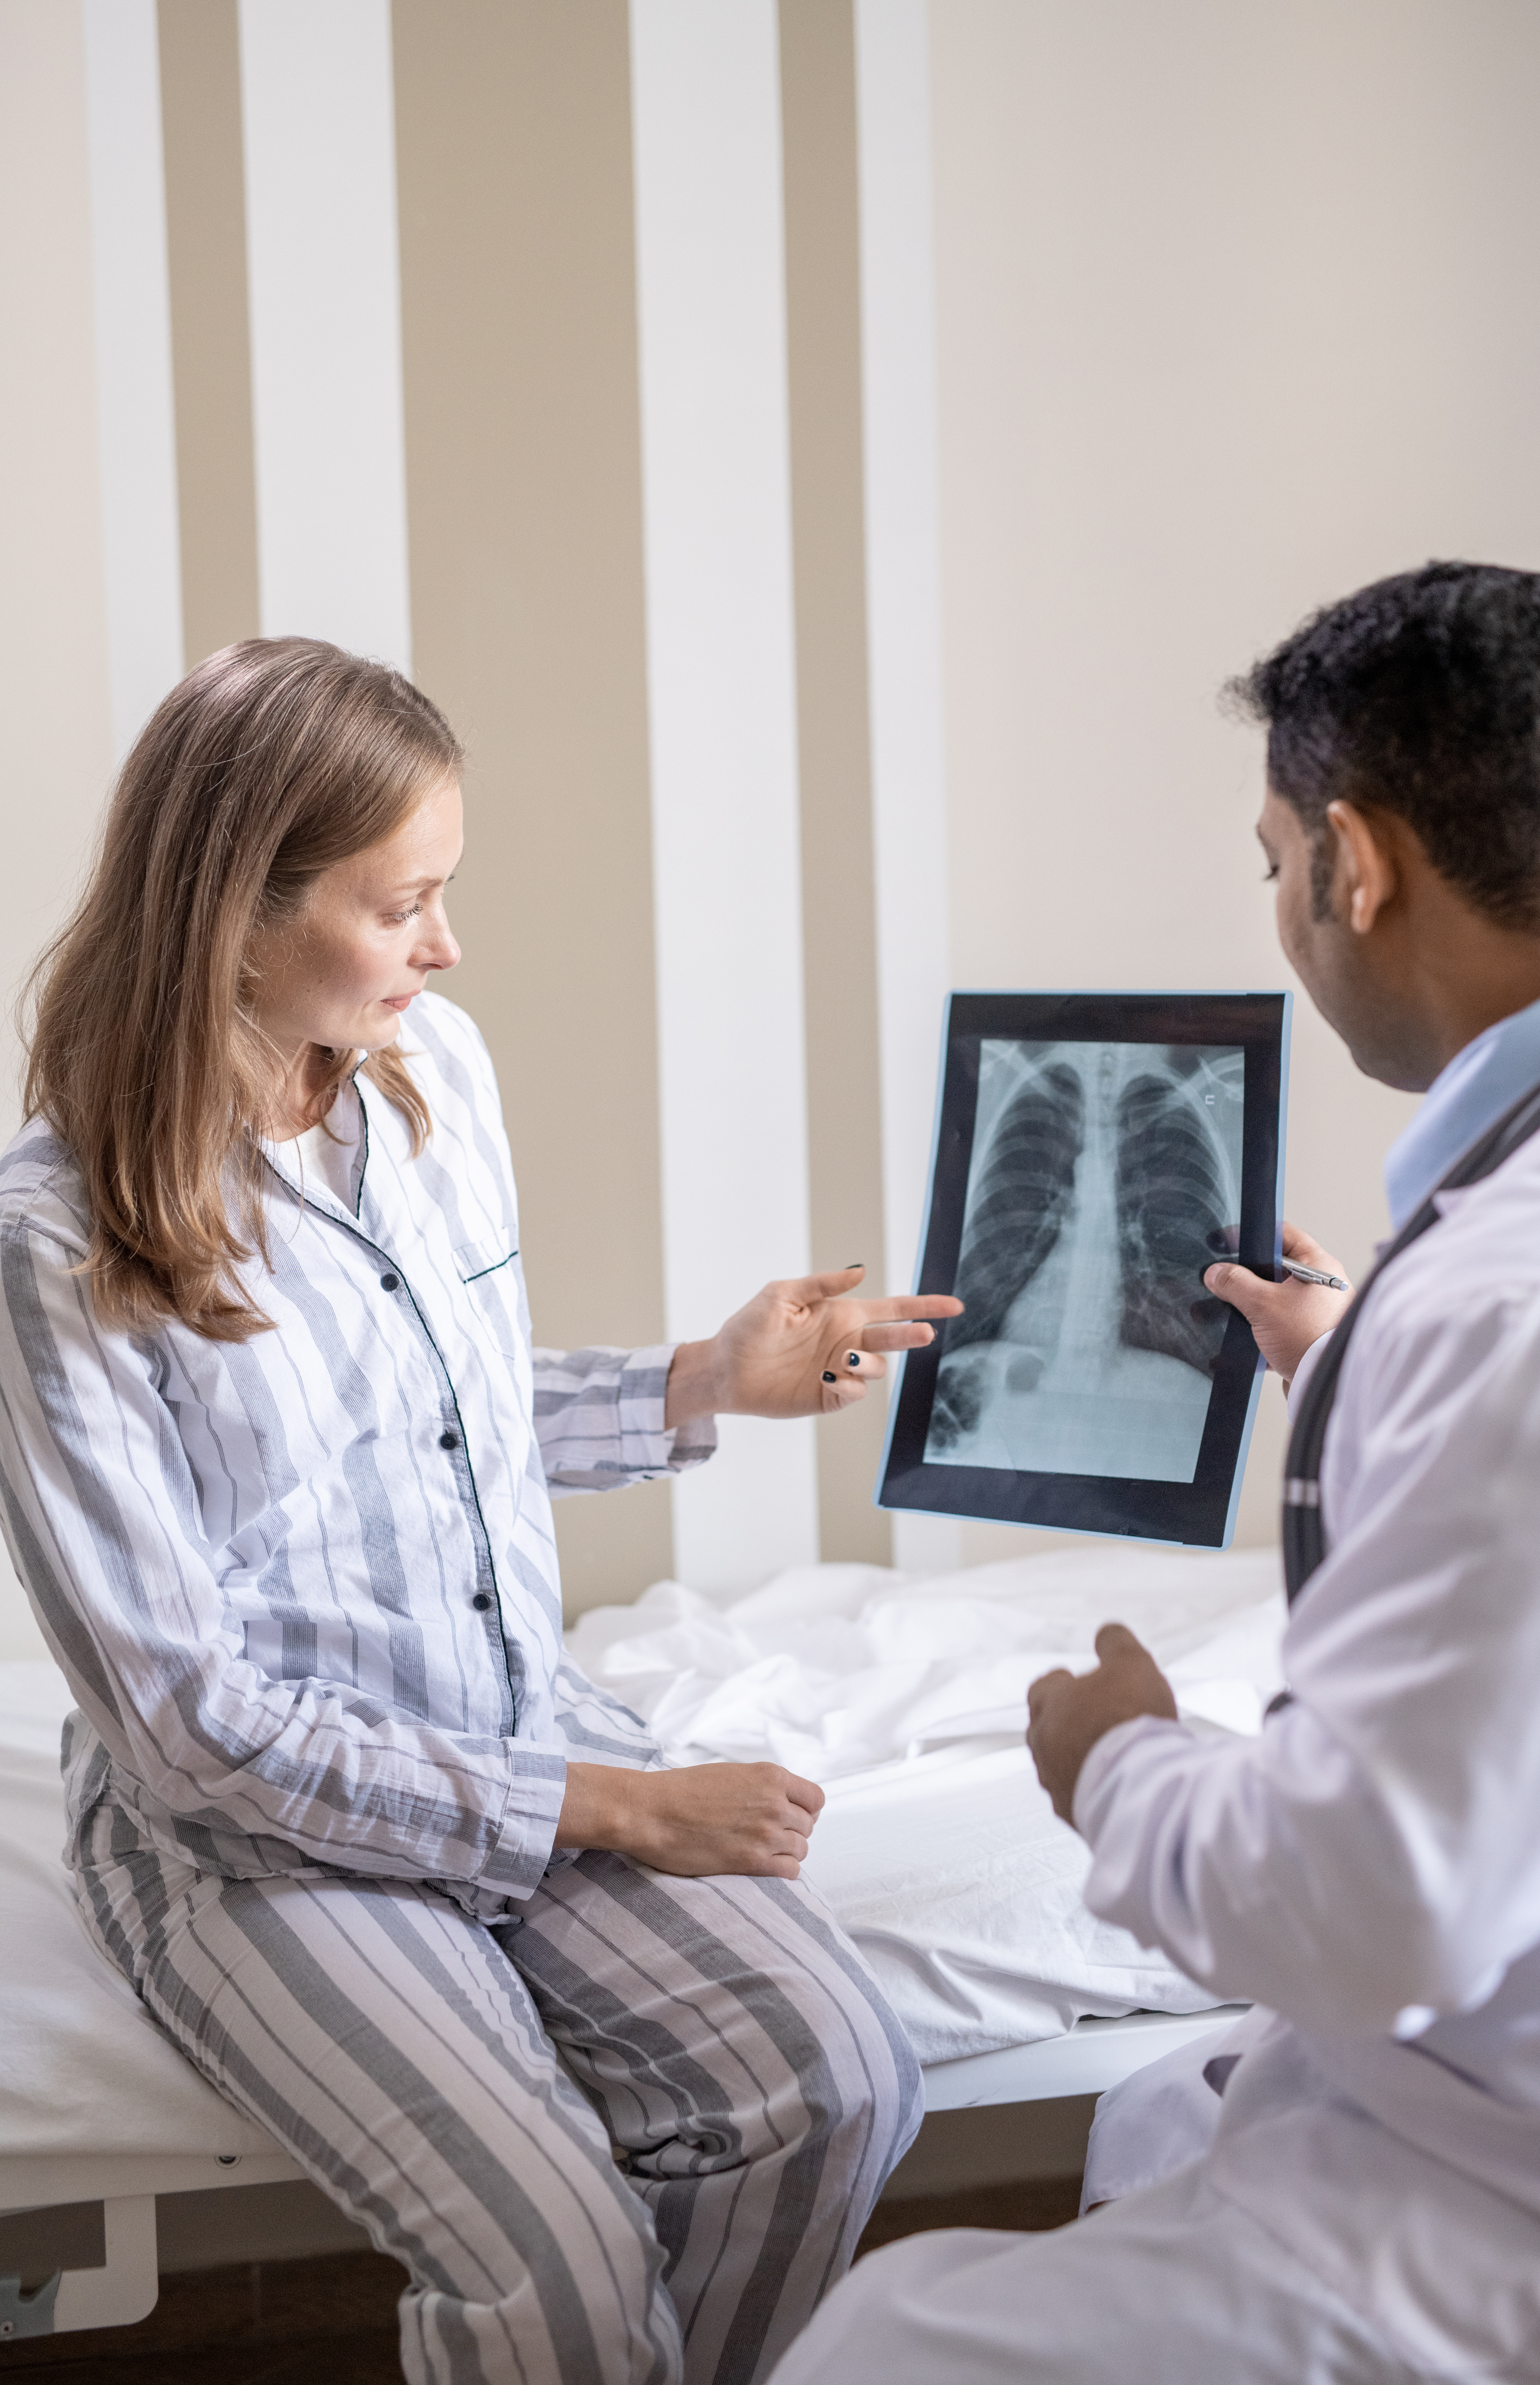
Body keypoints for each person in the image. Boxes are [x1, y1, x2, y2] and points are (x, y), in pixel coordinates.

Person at [0, 638, 960, 2385]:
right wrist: (617, 1809)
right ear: (234, 913)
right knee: (563, 2260)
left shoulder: (431, 1075)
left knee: (839, 2081)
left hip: (506, 1707)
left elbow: (433, 1418)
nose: (448, 947)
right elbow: (189, 1730)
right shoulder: (54, 1249)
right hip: (251, 1832)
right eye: (404, 904)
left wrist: (696, 1386)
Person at [767, 560, 1540, 2385]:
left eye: (1275, 858)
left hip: (1524, 2212)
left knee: (873, 2346)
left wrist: (1116, 1764)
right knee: (1157, 2118)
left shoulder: (1520, 1301)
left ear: (1354, 867)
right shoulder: (1516, 1265)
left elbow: (1388, 1911)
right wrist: (1370, 1356)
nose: (1286, 904)